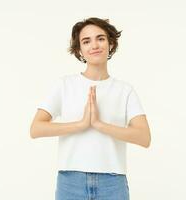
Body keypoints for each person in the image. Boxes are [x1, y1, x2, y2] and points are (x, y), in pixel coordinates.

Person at [30, 17, 151, 200]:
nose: (94, 45)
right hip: (71, 181)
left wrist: (99, 125)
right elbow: (36, 128)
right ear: (79, 50)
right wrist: (81, 124)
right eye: (86, 41)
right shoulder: (64, 85)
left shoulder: (124, 90)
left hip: (112, 182)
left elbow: (144, 137)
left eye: (100, 38)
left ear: (110, 44)